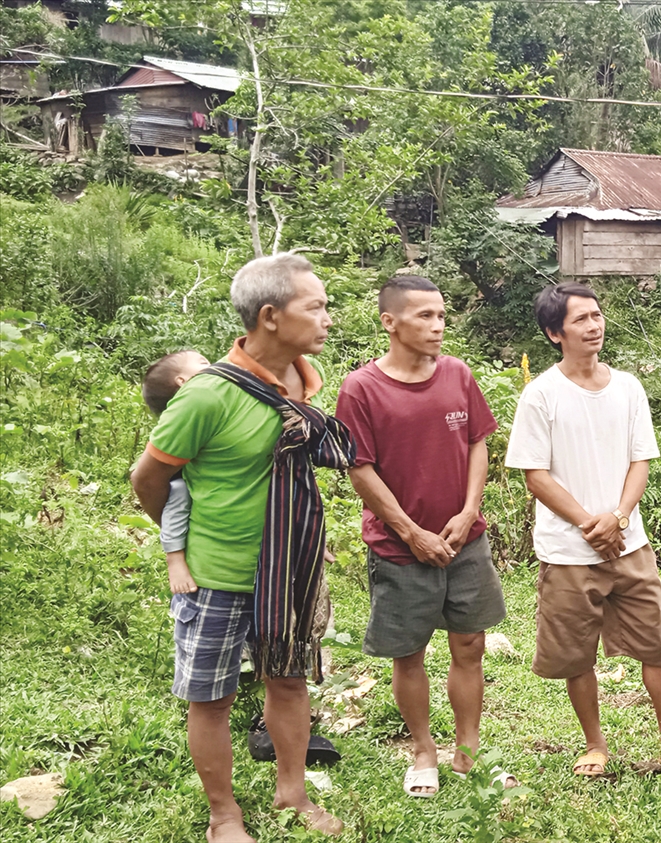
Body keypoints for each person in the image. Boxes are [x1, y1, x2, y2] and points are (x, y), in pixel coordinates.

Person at [131, 253, 350, 841]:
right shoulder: (206, 397)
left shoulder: (303, 378)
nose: (329, 318)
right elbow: (147, 479)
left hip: (288, 572)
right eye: (318, 306)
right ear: (272, 316)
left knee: (289, 681)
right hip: (218, 575)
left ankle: (292, 791)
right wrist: (185, 543)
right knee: (212, 697)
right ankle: (223, 814)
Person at [505, 283, 661, 779]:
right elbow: (535, 474)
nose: (594, 326)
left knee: (656, 646)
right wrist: (587, 523)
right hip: (568, 550)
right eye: (581, 320)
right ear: (555, 333)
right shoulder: (541, 395)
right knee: (577, 654)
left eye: (597, 316)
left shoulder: (627, 387)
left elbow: (641, 459)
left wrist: (617, 517)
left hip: (629, 542)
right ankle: (595, 745)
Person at [336, 275, 512, 799]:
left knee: (469, 643)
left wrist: (469, 510)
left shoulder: (458, 374)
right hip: (399, 548)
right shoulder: (361, 389)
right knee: (408, 653)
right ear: (390, 322)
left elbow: (479, 442)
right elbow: (360, 469)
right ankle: (422, 751)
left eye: (441, 315)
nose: (438, 326)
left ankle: (469, 750)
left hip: (465, 541)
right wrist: (411, 533)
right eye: (424, 317)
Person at [141, 350, 211, 595]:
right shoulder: (184, 411)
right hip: (179, 477)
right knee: (179, 496)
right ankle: (175, 558)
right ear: (182, 382)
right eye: (203, 363)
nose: (212, 366)